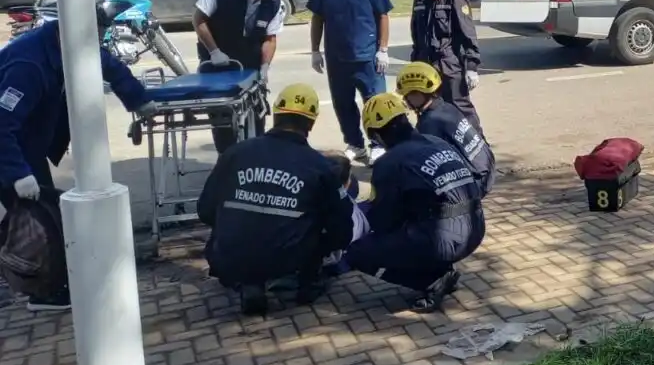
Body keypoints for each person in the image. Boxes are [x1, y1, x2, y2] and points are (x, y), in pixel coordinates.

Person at [0, 13, 153, 311]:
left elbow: (111, 67)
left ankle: (36, 277)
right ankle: (42, 290)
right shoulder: (28, 66)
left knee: (36, 210)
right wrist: (17, 173)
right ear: (67, 32)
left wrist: (139, 100)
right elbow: (2, 124)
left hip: (23, 142)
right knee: (36, 219)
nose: (94, 46)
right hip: (8, 143)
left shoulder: (73, 45)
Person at [197, 83, 358, 315]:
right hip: (287, 259)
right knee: (324, 225)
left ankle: (248, 279)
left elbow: (205, 210)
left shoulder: (234, 153)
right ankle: (306, 282)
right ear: (311, 124)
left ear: (276, 115)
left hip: (226, 258)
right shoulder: (320, 167)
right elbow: (342, 230)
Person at [344, 92, 485, 312]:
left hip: (444, 239)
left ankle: (431, 281)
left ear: (378, 135)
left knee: (358, 252)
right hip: (475, 229)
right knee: (419, 219)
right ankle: (439, 265)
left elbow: (383, 221)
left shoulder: (390, 162)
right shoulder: (436, 142)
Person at [193, 0, 289, 152]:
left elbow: (270, 39)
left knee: (257, 120)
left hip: (250, 68)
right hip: (217, 68)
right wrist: (214, 51)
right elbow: (198, 20)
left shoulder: (274, 5)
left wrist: (264, 67)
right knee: (224, 125)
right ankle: (227, 160)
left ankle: (255, 164)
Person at [307, 0, 394, 164]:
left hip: (367, 57)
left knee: (374, 103)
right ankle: (355, 144)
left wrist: (383, 49)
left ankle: (378, 144)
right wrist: (315, 51)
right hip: (337, 59)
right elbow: (317, 18)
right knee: (343, 104)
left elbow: (383, 15)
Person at [408, 0, 484, 131]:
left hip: (449, 65)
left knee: (460, 110)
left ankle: (476, 147)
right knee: (427, 112)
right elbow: (417, 37)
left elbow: (467, 33)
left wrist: (471, 67)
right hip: (426, 66)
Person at [396, 62, 496, 195]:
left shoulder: (429, 123)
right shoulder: (447, 107)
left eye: (407, 95)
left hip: (475, 183)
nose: (405, 99)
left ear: (418, 93)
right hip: (487, 168)